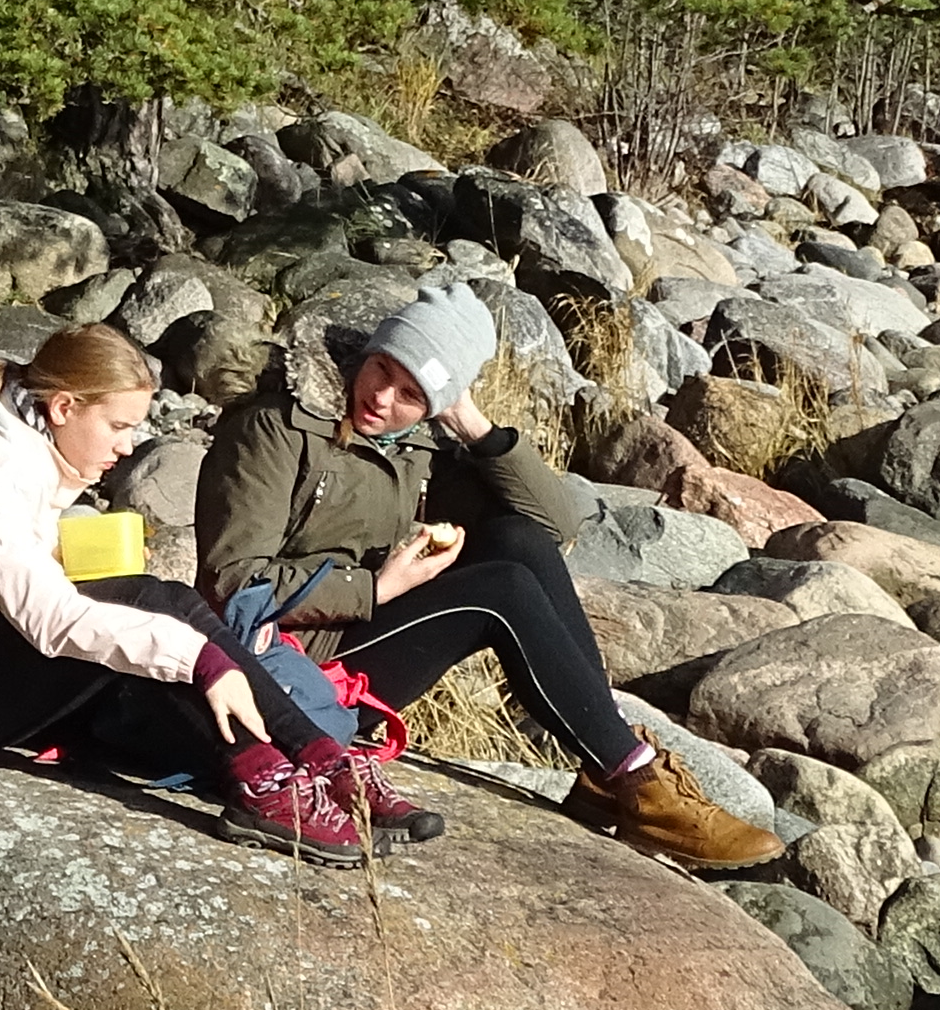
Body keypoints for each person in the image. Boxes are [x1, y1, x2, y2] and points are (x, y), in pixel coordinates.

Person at [194, 287, 782, 874]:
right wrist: (377, 588)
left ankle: (615, 767)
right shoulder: (275, 426)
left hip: (353, 630)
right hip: (283, 663)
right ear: (368, 351)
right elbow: (233, 584)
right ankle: (632, 776)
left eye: (412, 394)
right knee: (499, 592)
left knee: (515, 542)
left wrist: (468, 421)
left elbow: (554, 524)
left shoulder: (413, 443)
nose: (380, 398)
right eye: (381, 367)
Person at [0, 320, 384, 867]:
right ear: (64, 407)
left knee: (153, 609)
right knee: (153, 611)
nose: (128, 445)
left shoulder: (21, 443)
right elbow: (49, 619)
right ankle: (277, 776)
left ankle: (312, 758)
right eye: (118, 426)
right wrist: (199, 658)